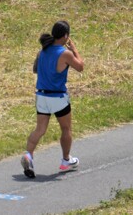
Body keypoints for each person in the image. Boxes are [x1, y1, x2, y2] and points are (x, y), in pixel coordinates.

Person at [20, 20, 85, 179]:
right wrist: (74, 49)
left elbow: (36, 70)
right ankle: (66, 160)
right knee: (66, 129)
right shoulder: (65, 53)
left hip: (41, 95)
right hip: (58, 96)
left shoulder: (42, 51)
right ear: (65, 36)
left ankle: (29, 155)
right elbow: (80, 67)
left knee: (40, 129)